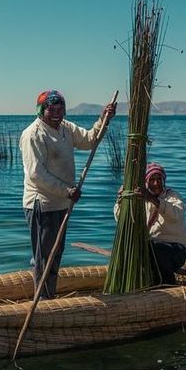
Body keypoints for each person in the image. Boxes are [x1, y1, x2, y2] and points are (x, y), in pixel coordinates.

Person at [20, 89, 117, 299]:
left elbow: (90, 140)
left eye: (60, 108)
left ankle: (49, 295)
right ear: (41, 111)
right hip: (42, 204)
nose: (56, 113)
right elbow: (37, 174)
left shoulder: (66, 128)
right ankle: (43, 300)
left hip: (62, 203)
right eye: (51, 109)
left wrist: (104, 119)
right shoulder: (33, 134)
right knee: (44, 257)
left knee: (55, 255)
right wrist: (67, 190)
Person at [114, 162, 186, 285]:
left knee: (154, 250)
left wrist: (152, 199)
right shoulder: (140, 200)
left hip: (176, 250)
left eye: (159, 179)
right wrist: (121, 200)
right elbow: (121, 218)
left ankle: (168, 285)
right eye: (152, 180)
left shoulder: (172, 196)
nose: (156, 183)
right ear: (146, 182)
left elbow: (176, 214)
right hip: (151, 248)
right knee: (136, 248)